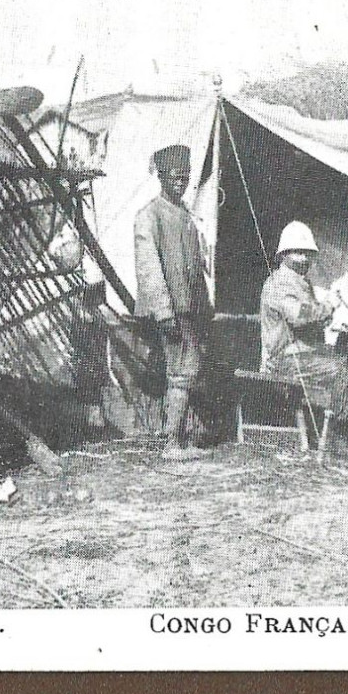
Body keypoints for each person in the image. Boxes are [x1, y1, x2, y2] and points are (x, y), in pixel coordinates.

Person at [134, 144, 212, 459]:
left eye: (185, 177)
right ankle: (172, 444)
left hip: (189, 309)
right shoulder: (149, 216)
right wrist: (164, 312)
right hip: (172, 311)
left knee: (189, 371)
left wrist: (204, 309)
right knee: (180, 372)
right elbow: (149, 268)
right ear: (162, 177)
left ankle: (181, 437)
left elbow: (196, 268)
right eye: (174, 177)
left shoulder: (186, 217)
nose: (180, 182)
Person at [259, 221, 348, 442]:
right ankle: (334, 436)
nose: (303, 259)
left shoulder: (300, 282)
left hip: (303, 354)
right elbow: (299, 317)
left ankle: (336, 429)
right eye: (298, 253)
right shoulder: (280, 282)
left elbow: (313, 321)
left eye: (307, 254)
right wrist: (328, 307)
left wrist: (325, 314)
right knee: (339, 369)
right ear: (283, 254)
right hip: (284, 358)